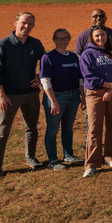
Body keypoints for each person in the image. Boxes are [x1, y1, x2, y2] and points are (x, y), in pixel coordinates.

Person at [0, 12, 46, 181]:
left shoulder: (35, 44)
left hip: (31, 93)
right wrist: (1, 95)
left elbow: (45, 61)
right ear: (15, 23)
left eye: (30, 24)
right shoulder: (3, 45)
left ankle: (31, 158)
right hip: (10, 96)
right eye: (23, 23)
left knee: (32, 128)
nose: (26, 26)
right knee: (2, 131)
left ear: (33, 26)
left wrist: (40, 76)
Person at [79, 25, 112, 177]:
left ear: (107, 36)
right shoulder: (87, 54)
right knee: (94, 128)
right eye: (97, 36)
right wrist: (107, 85)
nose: (100, 38)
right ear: (92, 38)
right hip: (95, 94)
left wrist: (111, 90)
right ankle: (91, 163)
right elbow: (88, 77)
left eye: (103, 35)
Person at [39, 28, 82, 169]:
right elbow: (45, 80)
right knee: (52, 128)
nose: (62, 41)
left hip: (73, 95)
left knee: (68, 127)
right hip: (57, 96)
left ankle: (68, 155)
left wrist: (82, 96)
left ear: (69, 39)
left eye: (65, 38)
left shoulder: (73, 57)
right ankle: (53, 160)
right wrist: (52, 101)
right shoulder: (48, 57)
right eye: (59, 38)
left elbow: (80, 79)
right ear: (54, 40)